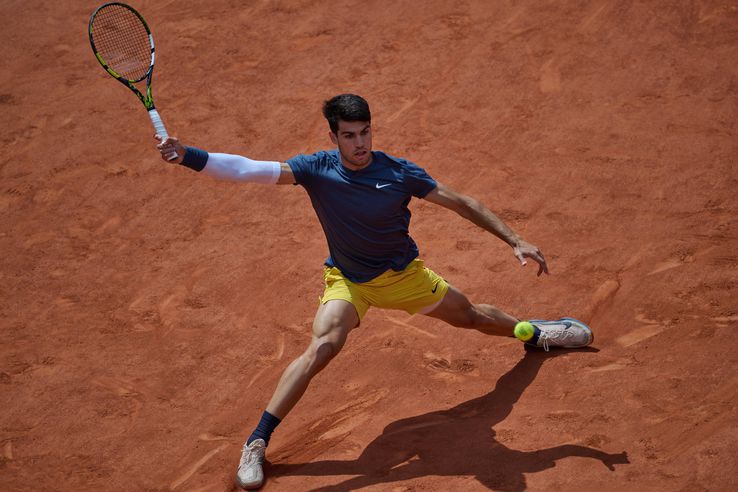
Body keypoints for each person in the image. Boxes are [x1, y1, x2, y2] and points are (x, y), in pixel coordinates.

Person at [155, 94, 593, 490]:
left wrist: (514, 239)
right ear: (334, 137)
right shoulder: (316, 170)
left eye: (365, 132)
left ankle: (534, 333)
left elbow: (462, 202)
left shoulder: (398, 173)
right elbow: (247, 169)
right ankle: (256, 442)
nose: (360, 143)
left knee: (472, 318)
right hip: (348, 281)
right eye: (349, 135)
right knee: (322, 347)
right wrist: (187, 155)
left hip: (404, 278)